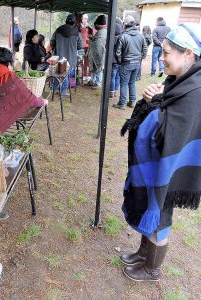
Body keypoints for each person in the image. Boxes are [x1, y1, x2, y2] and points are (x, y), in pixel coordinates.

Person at [120, 23, 201, 282]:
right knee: (149, 207)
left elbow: (170, 132)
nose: (161, 58)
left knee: (161, 212)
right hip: (161, 162)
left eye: (166, 53)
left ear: (187, 54)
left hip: (173, 167)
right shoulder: (182, 80)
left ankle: (152, 270)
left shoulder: (196, 91)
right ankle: (144, 254)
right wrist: (152, 98)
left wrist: (152, 102)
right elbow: (165, 110)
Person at [113, 15, 147, 109]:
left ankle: (122, 103)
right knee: (132, 82)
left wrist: (120, 62)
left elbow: (118, 52)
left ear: (125, 25)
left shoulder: (123, 36)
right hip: (136, 63)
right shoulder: (140, 35)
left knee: (124, 83)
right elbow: (145, 49)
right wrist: (140, 58)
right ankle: (132, 102)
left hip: (126, 63)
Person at [50, 14, 83, 96]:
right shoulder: (77, 32)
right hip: (71, 57)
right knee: (67, 73)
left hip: (58, 56)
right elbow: (80, 46)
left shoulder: (58, 30)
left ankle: (54, 89)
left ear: (66, 20)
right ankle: (63, 91)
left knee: (56, 72)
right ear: (74, 22)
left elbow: (52, 42)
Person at [86, 15, 107, 89]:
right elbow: (97, 39)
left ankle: (97, 83)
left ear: (99, 25)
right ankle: (92, 81)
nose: (95, 26)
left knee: (99, 68)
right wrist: (92, 38)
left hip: (100, 53)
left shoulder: (103, 32)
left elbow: (98, 43)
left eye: (96, 25)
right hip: (97, 52)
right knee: (95, 68)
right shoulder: (101, 31)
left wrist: (90, 42)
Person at [109, 17, 123, 98]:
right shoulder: (123, 37)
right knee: (117, 76)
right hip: (120, 60)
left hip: (113, 60)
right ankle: (115, 91)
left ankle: (111, 91)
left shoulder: (113, 39)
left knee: (112, 76)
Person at [79, 14, 94, 81]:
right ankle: (84, 75)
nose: (84, 20)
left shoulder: (89, 28)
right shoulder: (80, 28)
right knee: (83, 61)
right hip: (82, 47)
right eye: (83, 19)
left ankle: (89, 75)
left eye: (85, 19)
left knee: (89, 61)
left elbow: (91, 37)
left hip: (88, 47)